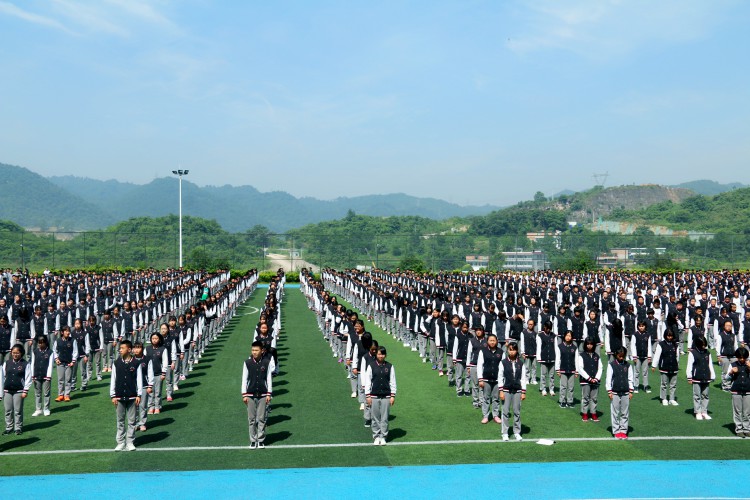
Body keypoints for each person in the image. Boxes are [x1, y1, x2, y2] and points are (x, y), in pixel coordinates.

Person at [110, 340, 144, 451]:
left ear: (129, 350)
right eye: (120, 348)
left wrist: (139, 394)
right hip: (119, 396)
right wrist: (113, 395)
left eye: (122, 348)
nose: (120, 350)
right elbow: (113, 379)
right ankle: (120, 442)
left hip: (132, 396)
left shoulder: (136, 363)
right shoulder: (116, 363)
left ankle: (130, 442)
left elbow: (139, 380)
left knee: (131, 421)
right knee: (120, 420)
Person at [242, 340, 275, 449]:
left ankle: (260, 440)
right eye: (253, 350)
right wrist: (244, 394)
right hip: (250, 394)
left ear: (262, 351)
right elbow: (244, 379)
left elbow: (269, 379)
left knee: (261, 418)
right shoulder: (247, 363)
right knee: (251, 419)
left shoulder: (267, 362)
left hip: (263, 394)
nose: (254, 352)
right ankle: (253, 440)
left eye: (256, 350)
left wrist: (269, 393)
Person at [364, 346, 396, 446]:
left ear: (385, 355)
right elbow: (368, 381)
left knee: (384, 418)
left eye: (382, 354)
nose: (381, 356)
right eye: (379, 354)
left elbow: (393, 381)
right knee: (375, 418)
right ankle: (376, 436)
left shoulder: (390, 366)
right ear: (376, 355)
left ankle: (383, 436)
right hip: (374, 396)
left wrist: (392, 396)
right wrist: (368, 396)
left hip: (386, 396)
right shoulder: (371, 366)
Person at [1, 344, 32, 435]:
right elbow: (2, 377)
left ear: (21, 353)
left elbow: (28, 378)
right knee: (8, 410)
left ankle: (18, 428)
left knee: (18, 410)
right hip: (7, 391)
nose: (15, 355)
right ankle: (9, 427)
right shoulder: (7, 363)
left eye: (17, 353)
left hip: (19, 391)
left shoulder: (25, 364)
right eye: (13, 353)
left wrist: (25, 390)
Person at [499, 341, 527, 441]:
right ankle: (505, 433)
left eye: (514, 350)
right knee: (505, 412)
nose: (512, 352)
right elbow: (500, 377)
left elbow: (523, 378)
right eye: (510, 350)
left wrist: (523, 392)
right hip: (506, 390)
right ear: (507, 350)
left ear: (517, 351)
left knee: (517, 412)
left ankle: (517, 432)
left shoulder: (521, 363)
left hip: (517, 390)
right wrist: (501, 391)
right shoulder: (503, 362)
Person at [606, 346, 634, 440]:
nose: (621, 358)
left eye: (623, 356)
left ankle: (623, 430)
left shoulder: (628, 365)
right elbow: (608, 379)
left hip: (626, 392)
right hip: (615, 392)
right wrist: (609, 391)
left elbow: (630, 379)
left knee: (625, 413)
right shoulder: (611, 365)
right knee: (615, 412)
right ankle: (616, 431)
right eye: (619, 356)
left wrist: (631, 391)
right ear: (616, 355)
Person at [686, 336, 715, 420]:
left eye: (704, 344)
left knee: (705, 395)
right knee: (697, 395)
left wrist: (712, 375)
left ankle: (704, 412)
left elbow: (710, 365)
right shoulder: (692, 353)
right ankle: (698, 412)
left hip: (706, 377)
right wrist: (689, 377)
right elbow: (689, 365)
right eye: (702, 345)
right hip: (696, 377)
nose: (703, 346)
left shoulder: (708, 353)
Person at [477, 333, 503, 424]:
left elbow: (503, 367)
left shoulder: (501, 352)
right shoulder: (483, 351)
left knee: (496, 398)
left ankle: (496, 415)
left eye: (494, 340)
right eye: (490, 340)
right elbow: (479, 365)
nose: (492, 342)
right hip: (486, 379)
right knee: (486, 398)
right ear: (487, 341)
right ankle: (486, 416)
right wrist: (480, 379)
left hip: (497, 380)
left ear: (497, 341)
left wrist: (502, 379)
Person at [652, 328, 680, 406]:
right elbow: (657, 355)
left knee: (673, 384)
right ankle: (663, 398)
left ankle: (672, 399)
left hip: (674, 367)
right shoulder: (661, 344)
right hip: (664, 367)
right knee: (664, 383)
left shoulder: (675, 345)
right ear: (665, 336)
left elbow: (677, 356)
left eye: (671, 336)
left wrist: (677, 365)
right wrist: (654, 365)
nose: (669, 337)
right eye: (668, 336)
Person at [726, 346, 750, 437]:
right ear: (737, 357)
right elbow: (727, 378)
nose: (742, 359)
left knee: (747, 412)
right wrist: (731, 372)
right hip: (736, 391)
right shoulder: (733, 365)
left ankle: (747, 429)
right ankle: (739, 429)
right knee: (738, 412)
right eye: (740, 357)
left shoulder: (749, 364)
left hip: (748, 391)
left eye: (744, 357)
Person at [577, 337, 602, 422]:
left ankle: (593, 413)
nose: (589, 346)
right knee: (585, 397)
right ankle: (585, 413)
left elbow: (600, 368)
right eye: (588, 344)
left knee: (594, 398)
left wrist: (596, 378)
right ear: (585, 345)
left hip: (595, 381)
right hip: (585, 381)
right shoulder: (582, 355)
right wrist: (589, 378)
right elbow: (580, 368)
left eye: (591, 344)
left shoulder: (596, 356)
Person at [31, 335, 55, 417]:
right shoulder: (35, 352)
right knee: (37, 393)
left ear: (45, 343)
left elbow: (50, 365)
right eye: (39, 343)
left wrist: (48, 376)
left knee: (46, 393)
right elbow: (32, 363)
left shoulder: (50, 352)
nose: (40, 344)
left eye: (42, 342)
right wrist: (32, 375)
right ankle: (38, 409)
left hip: (46, 376)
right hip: (37, 375)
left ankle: (46, 409)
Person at [54, 325, 78, 402]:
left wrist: (73, 361)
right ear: (62, 332)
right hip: (60, 363)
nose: (68, 332)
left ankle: (67, 395)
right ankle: (60, 395)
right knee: (60, 379)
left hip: (69, 363)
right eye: (66, 331)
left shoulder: (73, 340)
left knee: (68, 380)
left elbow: (75, 351)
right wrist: (56, 359)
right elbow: (55, 351)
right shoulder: (58, 341)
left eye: (68, 331)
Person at [555, 330, 578, 408]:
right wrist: (557, 370)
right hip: (563, 369)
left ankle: (570, 401)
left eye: (570, 336)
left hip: (572, 370)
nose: (568, 337)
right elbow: (558, 358)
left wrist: (577, 371)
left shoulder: (574, 348)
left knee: (571, 387)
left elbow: (576, 360)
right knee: (563, 386)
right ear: (564, 336)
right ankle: (562, 401)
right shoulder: (560, 346)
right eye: (567, 335)